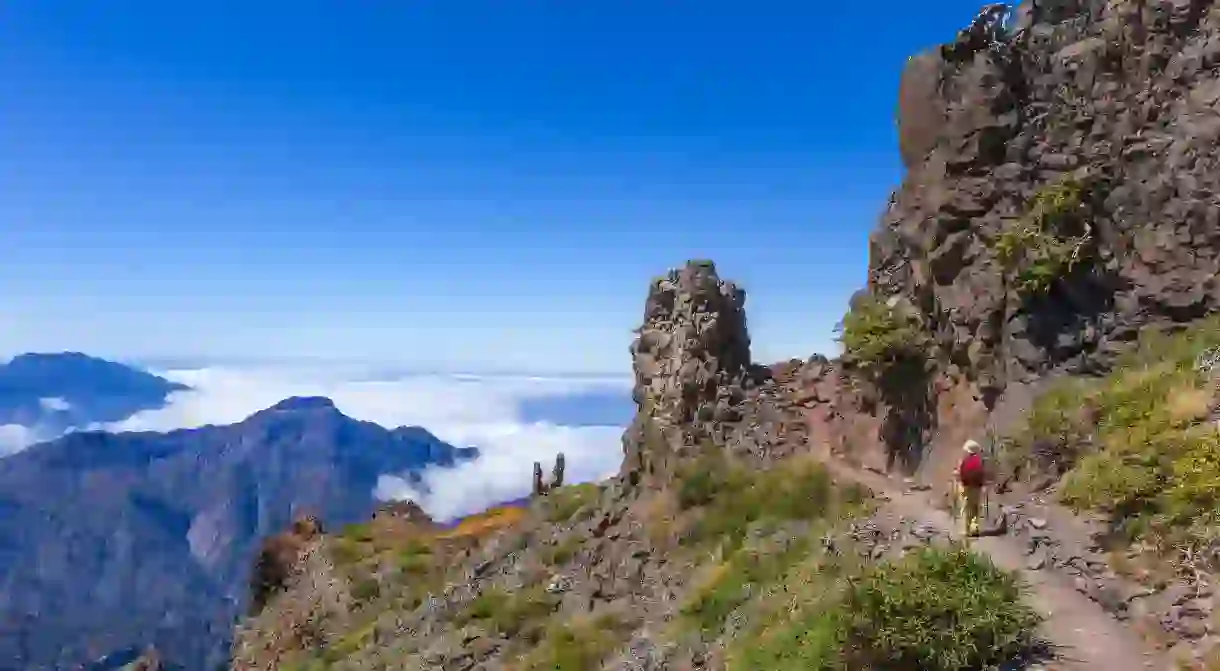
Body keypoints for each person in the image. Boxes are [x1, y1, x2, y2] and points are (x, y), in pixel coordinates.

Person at [957, 439, 986, 536]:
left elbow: (961, 473)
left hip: (967, 487)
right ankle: (975, 529)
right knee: (975, 508)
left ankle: (967, 530)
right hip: (977, 487)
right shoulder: (979, 460)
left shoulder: (965, 460)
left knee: (967, 508)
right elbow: (982, 473)